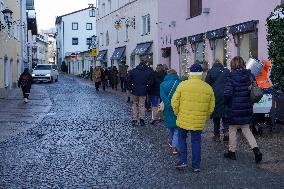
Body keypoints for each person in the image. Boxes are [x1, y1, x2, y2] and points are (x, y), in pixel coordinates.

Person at [172, 63, 215, 172]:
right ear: (201, 74)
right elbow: (211, 106)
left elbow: (174, 102)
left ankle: (183, 160)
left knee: (182, 139)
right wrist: (204, 117)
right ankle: (196, 166)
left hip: (183, 119)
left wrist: (178, 113)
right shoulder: (208, 88)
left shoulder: (182, 85)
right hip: (198, 121)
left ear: (190, 73)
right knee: (196, 142)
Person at [223, 56, 262, 163]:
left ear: (233, 65)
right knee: (246, 129)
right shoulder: (250, 76)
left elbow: (227, 94)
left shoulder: (231, 77)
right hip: (246, 108)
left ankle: (232, 152)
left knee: (232, 130)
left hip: (234, 109)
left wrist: (225, 103)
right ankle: (256, 150)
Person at [205, 59, 230, 142]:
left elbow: (207, 84)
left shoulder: (211, 71)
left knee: (216, 116)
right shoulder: (226, 71)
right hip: (226, 94)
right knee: (225, 114)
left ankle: (217, 136)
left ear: (213, 64)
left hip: (215, 95)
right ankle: (226, 132)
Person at [160, 69, 181, 154]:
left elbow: (162, 97)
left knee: (170, 127)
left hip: (167, 108)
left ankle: (172, 142)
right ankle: (174, 147)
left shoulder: (162, 84)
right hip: (178, 107)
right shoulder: (179, 83)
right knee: (177, 128)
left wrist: (169, 105)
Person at [129, 61, 153, 126]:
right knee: (142, 105)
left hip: (135, 90)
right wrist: (146, 88)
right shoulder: (148, 71)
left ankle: (134, 119)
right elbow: (151, 82)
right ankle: (142, 119)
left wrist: (131, 87)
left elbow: (129, 80)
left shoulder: (133, 71)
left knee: (134, 104)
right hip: (143, 90)